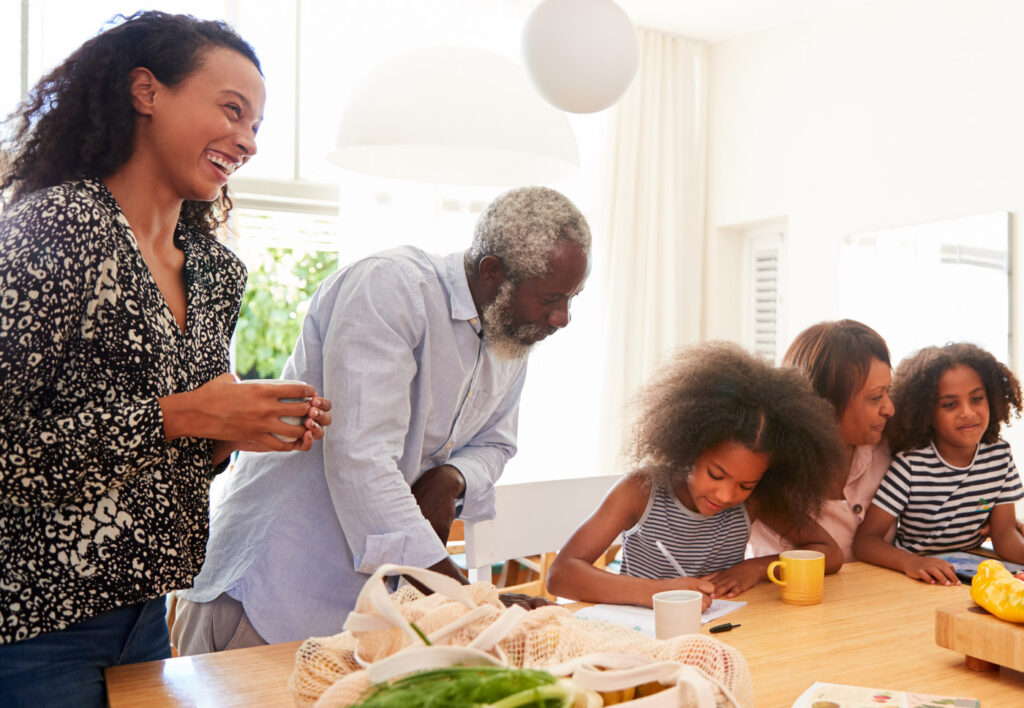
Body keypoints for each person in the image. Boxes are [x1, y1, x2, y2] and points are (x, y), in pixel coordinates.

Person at [0, 12, 332, 705]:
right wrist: (182, 416)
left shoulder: (215, 272)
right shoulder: (54, 228)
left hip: (151, 619)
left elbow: (181, 450)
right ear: (145, 91)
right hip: (30, 632)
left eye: (257, 127)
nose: (245, 140)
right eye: (232, 111)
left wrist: (232, 432)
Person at [172, 185, 592, 654]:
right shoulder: (391, 288)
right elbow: (363, 462)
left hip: (367, 618)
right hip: (273, 592)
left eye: (572, 298)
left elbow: (497, 445)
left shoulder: (511, 332)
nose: (562, 318)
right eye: (551, 299)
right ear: (492, 271)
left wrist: (451, 478)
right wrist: (475, 605)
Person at [546, 342, 845, 606]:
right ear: (689, 448)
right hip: (640, 635)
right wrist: (656, 592)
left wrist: (754, 568)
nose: (727, 495)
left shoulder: (754, 501)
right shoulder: (640, 491)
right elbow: (561, 575)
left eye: (746, 484)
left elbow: (828, 553)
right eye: (716, 474)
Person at [853, 343, 1024, 584]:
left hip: (966, 577)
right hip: (915, 576)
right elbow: (866, 541)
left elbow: (1004, 533)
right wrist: (911, 563)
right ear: (926, 412)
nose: (967, 412)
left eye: (976, 399)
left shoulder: (999, 456)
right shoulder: (911, 464)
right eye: (950, 404)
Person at [747, 319, 895, 562]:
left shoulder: (888, 450)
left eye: (888, 391)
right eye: (876, 397)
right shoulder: (765, 473)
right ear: (825, 406)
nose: (889, 408)